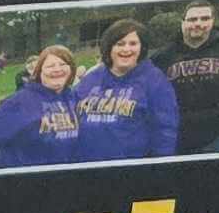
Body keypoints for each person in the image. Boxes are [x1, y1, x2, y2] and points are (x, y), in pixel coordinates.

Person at [69, 18, 181, 164]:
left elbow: (165, 130)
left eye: (133, 43)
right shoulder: (92, 78)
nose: (126, 49)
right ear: (109, 47)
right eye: (120, 44)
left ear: (142, 48)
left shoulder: (154, 80)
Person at [153, 0, 219, 155]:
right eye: (192, 19)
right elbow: (152, 93)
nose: (198, 23)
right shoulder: (163, 56)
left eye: (205, 18)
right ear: (183, 22)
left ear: (212, 21)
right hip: (178, 136)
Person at [0, 45, 91, 171]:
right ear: (39, 71)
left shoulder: (73, 99)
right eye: (50, 66)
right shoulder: (19, 102)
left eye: (63, 64)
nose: (57, 69)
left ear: (71, 70)